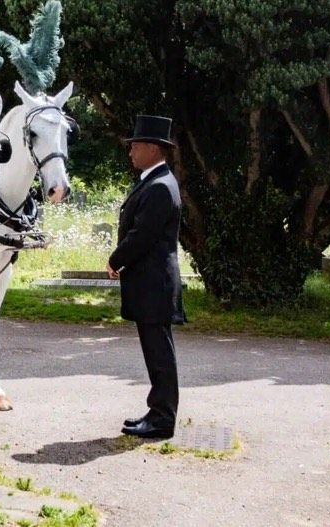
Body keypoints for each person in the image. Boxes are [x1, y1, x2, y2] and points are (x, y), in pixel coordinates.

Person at [106, 114, 185, 439]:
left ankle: (163, 419)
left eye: (135, 146)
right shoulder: (154, 182)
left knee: (159, 353)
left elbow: (142, 235)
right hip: (149, 283)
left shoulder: (160, 187)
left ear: (152, 148)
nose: (130, 152)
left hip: (154, 283)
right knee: (155, 352)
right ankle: (157, 412)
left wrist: (116, 259)